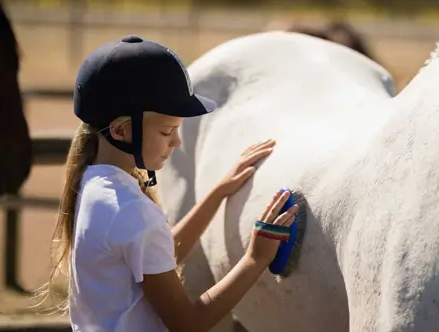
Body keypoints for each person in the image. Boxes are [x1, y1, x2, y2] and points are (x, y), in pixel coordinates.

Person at [39, 35, 298, 332]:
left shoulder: (93, 182)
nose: (176, 142)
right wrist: (255, 258)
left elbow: (155, 255)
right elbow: (187, 323)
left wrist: (217, 193)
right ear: (122, 130)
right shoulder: (131, 209)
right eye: (166, 131)